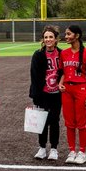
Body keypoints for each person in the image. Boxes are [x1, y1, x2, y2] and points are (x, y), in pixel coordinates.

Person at [59, 25, 86, 164]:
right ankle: (71, 151)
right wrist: (60, 83)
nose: (66, 36)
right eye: (66, 34)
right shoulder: (64, 53)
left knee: (81, 123)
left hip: (81, 89)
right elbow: (63, 72)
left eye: (69, 34)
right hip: (67, 91)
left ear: (77, 36)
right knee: (69, 123)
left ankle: (82, 152)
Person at [29, 25, 64, 160]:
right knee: (41, 121)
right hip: (42, 94)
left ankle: (54, 149)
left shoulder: (62, 54)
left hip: (56, 94)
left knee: (54, 120)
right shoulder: (38, 54)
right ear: (43, 40)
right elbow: (35, 76)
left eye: (51, 37)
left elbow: (64, 72)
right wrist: (36, 96)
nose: (48, 39)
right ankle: (42, 148)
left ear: (56, 39)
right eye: (46, 37)